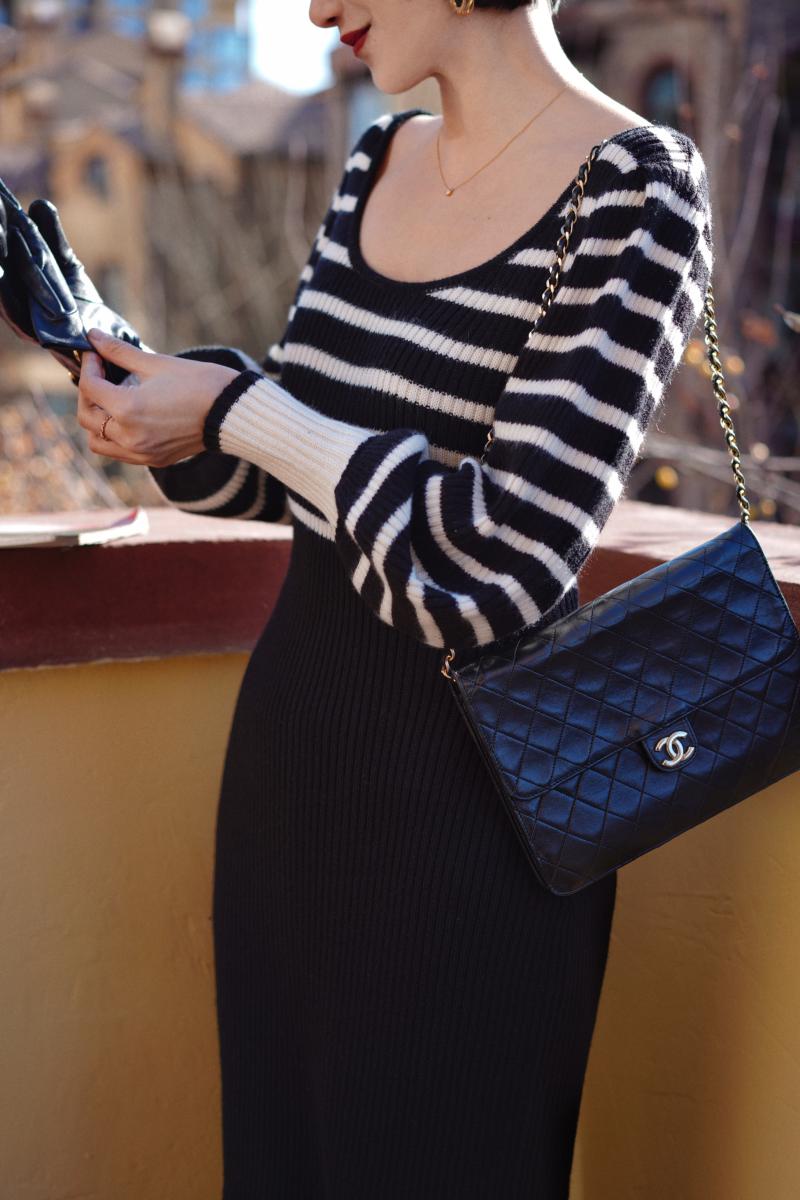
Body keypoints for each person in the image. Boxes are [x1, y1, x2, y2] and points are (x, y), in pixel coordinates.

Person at [21, 0, 712, 1194]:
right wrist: (158, 400)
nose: (310, 8)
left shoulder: (635, 189)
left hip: (468, 832)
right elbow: (304, 470)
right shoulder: (371, 159)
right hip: (292, 785)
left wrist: (243, 409)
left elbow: (496, 565)